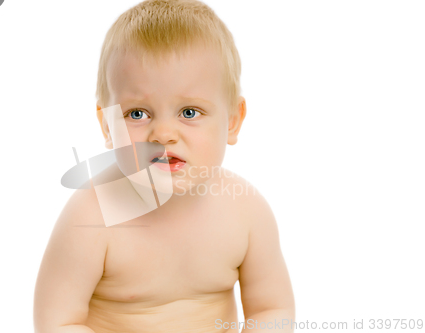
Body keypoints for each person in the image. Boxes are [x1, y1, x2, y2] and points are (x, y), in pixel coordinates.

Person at [34, 0, 295, 332]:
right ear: (107, 126)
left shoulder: (246, 211)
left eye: (189, 112)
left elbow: (273, 308)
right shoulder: (91, 215)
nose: (164, 134)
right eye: (138, 114)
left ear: (232, 121)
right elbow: (57, 322)